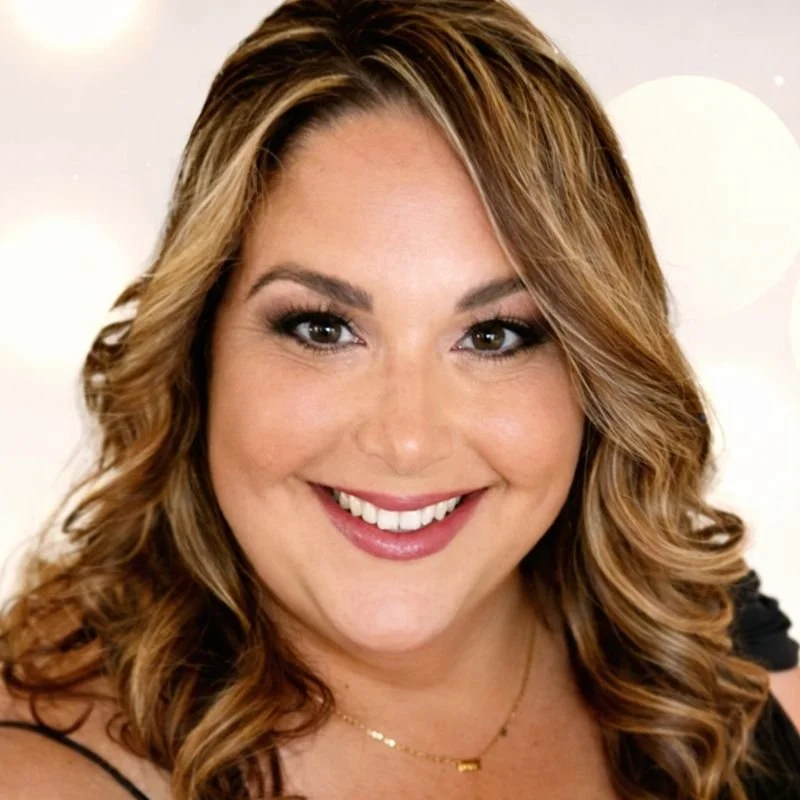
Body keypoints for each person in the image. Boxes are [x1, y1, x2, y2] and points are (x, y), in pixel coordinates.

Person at [0, 1, 798, 797]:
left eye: (493, 336)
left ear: (595, 369)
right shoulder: (45, 772)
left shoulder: (700, 642)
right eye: (323, 329)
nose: (407, 439)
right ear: (198, 351)